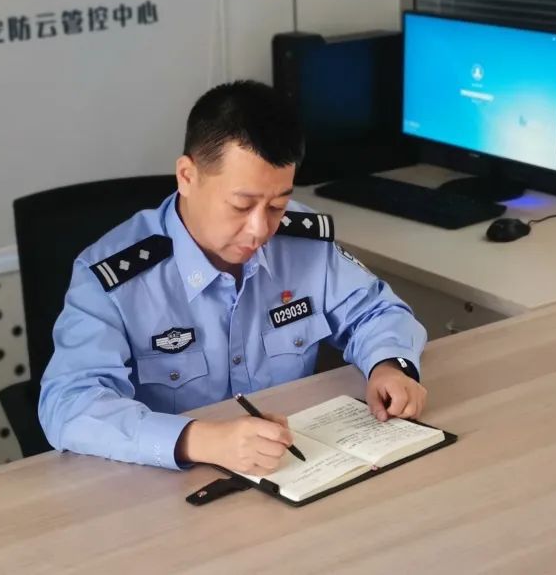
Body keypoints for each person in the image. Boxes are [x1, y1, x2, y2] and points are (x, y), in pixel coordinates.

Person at [39, 80, 428, 476]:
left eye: (277, 205)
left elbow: (377, 311)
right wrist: (201, 440)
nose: (260, 230)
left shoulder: (302, 243)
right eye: (242, 205)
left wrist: (389, 365)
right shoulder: (114, 278)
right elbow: (68, 404)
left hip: (290, 466)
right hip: (168, 484)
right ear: (187, 176)